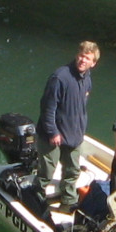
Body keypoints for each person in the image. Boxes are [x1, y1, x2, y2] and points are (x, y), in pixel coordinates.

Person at [37, 41, 98, 200]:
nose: (82, 60)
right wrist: (52, 132)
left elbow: (81, 106)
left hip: (74, 135)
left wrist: (80, 130)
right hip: (53, 136)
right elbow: (47, 108)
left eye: (87, 58)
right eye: (81, 56)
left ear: (93, 63)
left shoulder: (87, 79)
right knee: (47, 172)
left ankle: (69, 200)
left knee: (73, 171)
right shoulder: (60, 77)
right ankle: (36, 197)